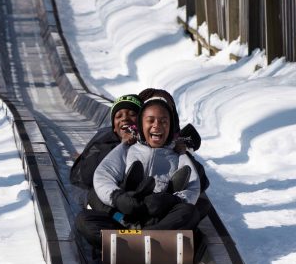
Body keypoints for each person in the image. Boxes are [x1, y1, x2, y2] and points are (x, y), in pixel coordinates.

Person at [75, 94, 205, 249]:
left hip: (159, 219)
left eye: (163, 121)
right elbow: (103, 175)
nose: (157, 125)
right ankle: (152, 242)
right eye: (150, 121)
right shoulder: (127, 149)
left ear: (171, 126)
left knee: (190, 211)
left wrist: (171, 201)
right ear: (141, 125)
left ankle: (138, 240)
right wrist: (118, 198)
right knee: (85, 220)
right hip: (124, 219)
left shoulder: (178, 155)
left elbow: (193, 187)